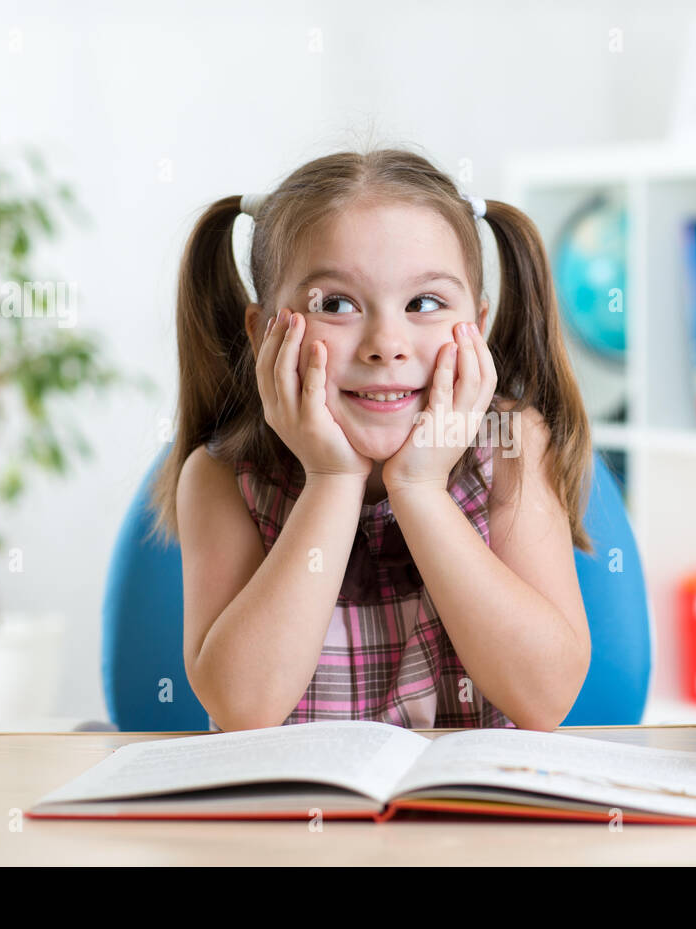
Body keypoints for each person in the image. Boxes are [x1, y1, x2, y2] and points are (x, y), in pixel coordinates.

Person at [148, 147, 594, 732]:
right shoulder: (222, 477)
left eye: (424, 303)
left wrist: (419, 488)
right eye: (336, 304)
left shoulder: (512, 448)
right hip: (294, 820)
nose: (387, 343)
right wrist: (333, 481)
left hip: (474, 822)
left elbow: (547, 697)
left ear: (477, 326)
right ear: (262, 334)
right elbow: (242, 708)